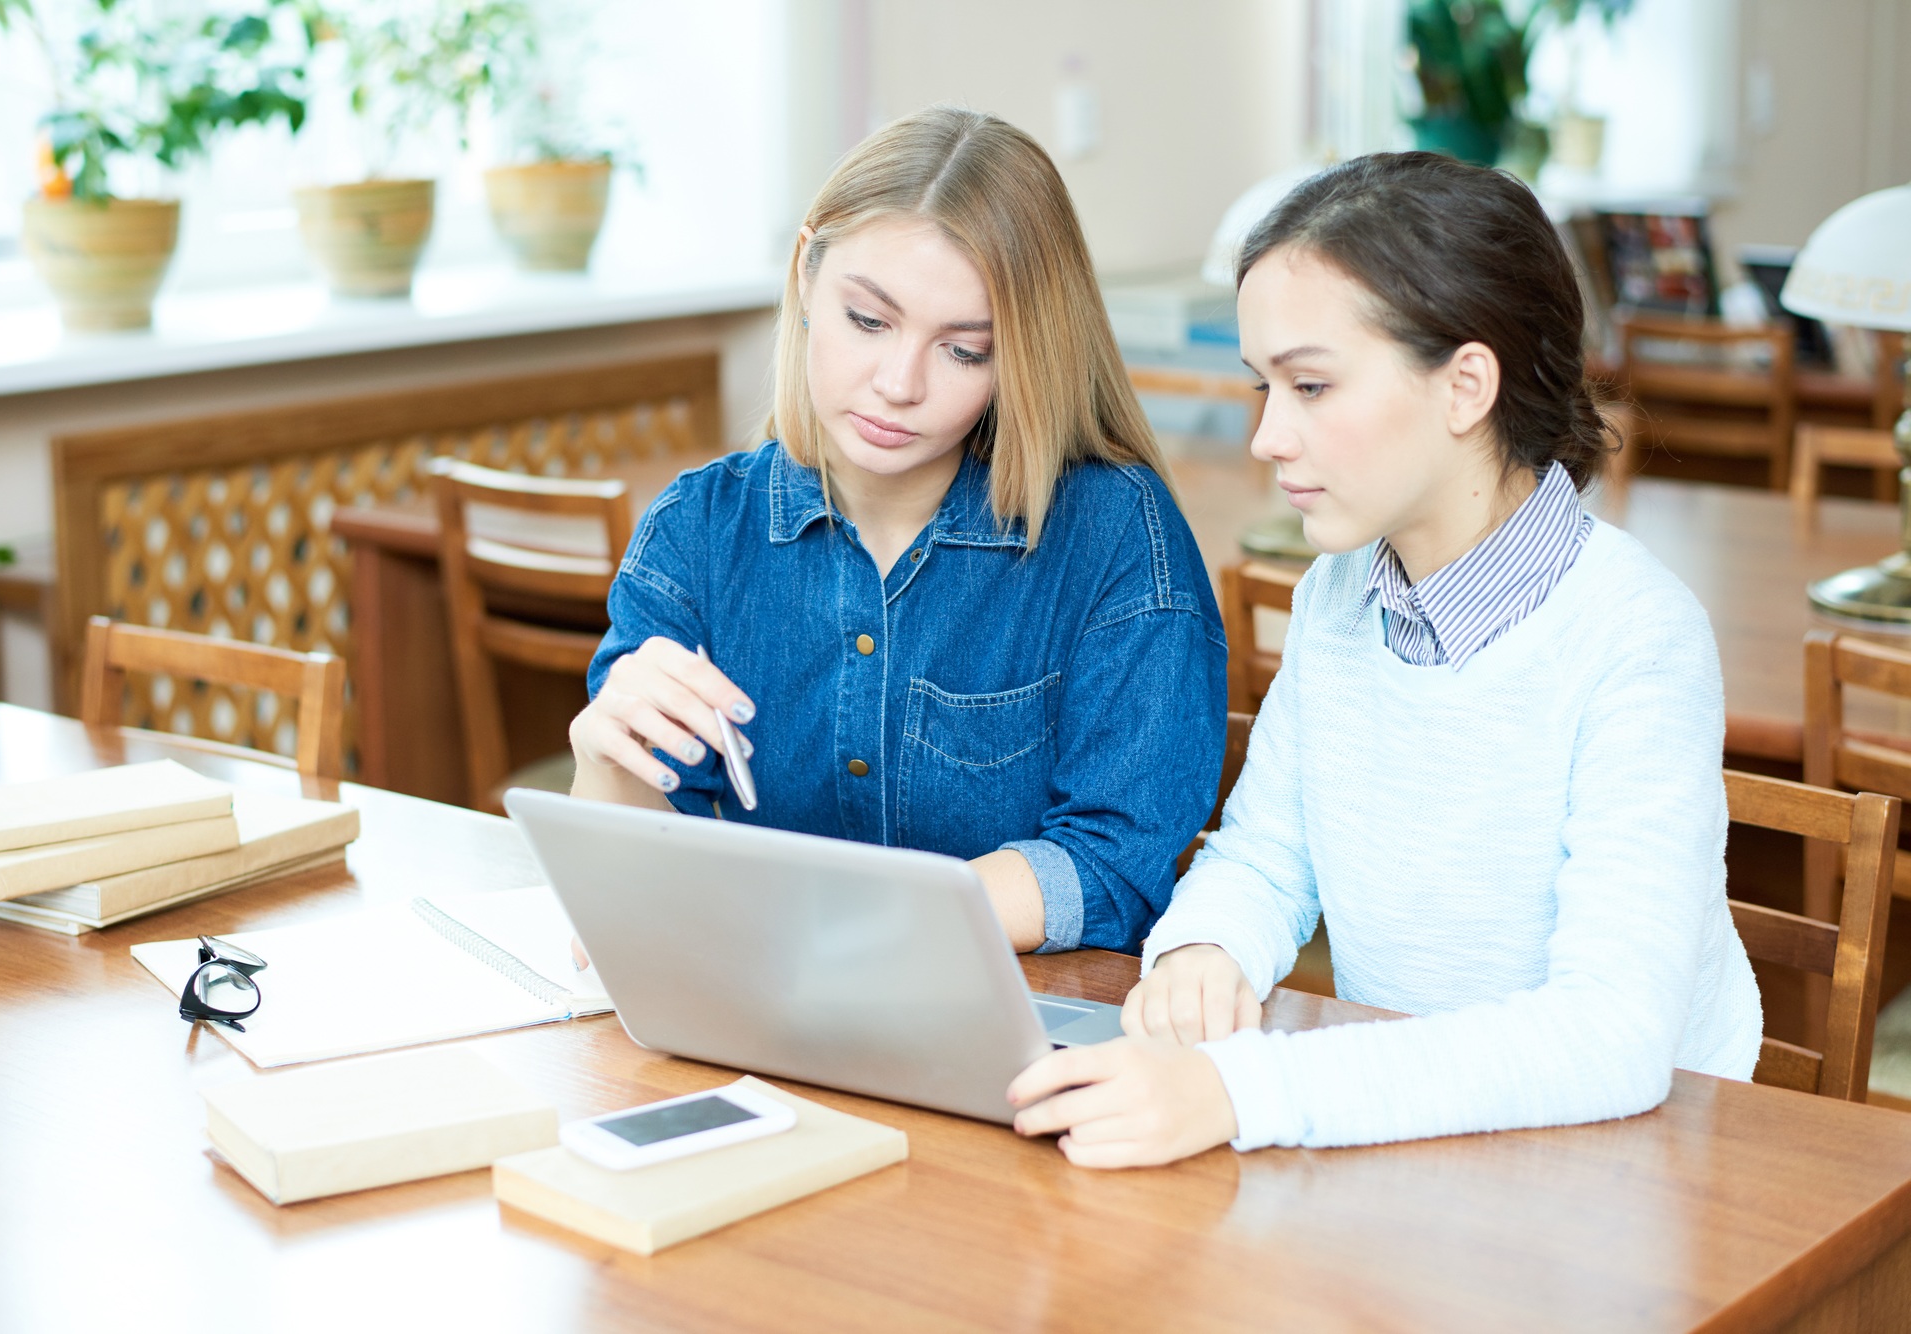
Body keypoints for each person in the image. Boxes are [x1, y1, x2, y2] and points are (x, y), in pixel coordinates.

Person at [1008, 151, 1762, 1166]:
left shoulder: (1636, 635)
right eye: (1262, 386)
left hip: (1621, 1165)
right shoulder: (1339, 595)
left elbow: (1609, 1036)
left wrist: (1242, 1089)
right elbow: (1267, 854)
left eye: (1310, 385)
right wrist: (1203, 946)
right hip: (1413, 1134)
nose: (1268, 436)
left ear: (1463, 385)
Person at [565, 106, 1228, 956]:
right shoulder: (699, 532)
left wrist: (848, 934)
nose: (898, 383)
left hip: (1030, 1033)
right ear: (807, 274)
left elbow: (1112, 866)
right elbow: (630, 917)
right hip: (765, 1016)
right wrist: (606, 762)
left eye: (964, 352)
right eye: (869, 321)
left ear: (1022, 355)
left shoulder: (1114, 538)